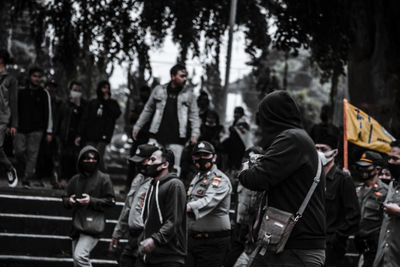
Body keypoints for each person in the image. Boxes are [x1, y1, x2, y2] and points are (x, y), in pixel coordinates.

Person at [238, 90, 326, 267]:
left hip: (296, 247)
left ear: (271, 118)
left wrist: (246, 168)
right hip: (283, 242)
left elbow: (256, 179)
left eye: (262, 118)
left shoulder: (291, 139)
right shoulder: (299, 139)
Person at [132, 64, 200, 175]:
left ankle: (170, 191)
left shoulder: (189, 94)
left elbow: (194, 115)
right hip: (156, 135)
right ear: (173, 76)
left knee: (173, 169)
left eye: (186, 76)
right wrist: (138, 126)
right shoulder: (159, 90)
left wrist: (194, 134)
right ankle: (147, 191)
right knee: (149, 165)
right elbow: (148, 109)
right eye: (182, 76)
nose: (185, 79)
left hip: (177, 138)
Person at [62, 145, 115, 267]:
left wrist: (91, 201)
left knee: (80, 256)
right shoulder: (75, 179)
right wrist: (69, 201)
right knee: (77, 261)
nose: (91, 161)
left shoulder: (104, 178)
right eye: (87, 158)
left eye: (94, 158)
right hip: (77, 224)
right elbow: (64, 198)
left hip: (93, 225)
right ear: (81, 160)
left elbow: (111, 201)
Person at [314, 133, 360, 267]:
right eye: (316, 148)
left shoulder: (343, 180)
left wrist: (336, 238)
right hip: (311, 244)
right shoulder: (311, 178)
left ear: (335, 153)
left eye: (323, 149)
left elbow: (354, 216)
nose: (319, 153)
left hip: (332, 249)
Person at [136, 148, 187, 267]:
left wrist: (155, 240)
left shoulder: (175, 185)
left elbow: (173, 220)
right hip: (151, 255)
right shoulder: (152, 185)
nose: (148, 163)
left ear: (165, 164)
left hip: (170, 256)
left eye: (152, 160)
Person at [110, 144, 158, 267]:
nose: (138, 164)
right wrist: (117, 233)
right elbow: (127, 207)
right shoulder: (138, 178)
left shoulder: (160, 182)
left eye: (141, 161)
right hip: (132, 236)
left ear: (151, 160)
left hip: (147, 236)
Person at [185, 141, 232, 267]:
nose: (201, 159)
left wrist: (186, 207)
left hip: (213, 242)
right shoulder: (197, 177)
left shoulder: (220, 179)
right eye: (197, 155)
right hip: (193, 239)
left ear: (214, 157)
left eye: (205, 155)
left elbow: (208, 201)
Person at [15, 66, 52, 187]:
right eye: (35, 76)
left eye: (39, 77)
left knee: (33, 154)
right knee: (19, 152)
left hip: (37, 130)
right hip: (20, 128)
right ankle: (28, 170)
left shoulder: (44, 93)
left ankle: (26, 177)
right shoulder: (21, 92)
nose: (37, 79)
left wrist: (49, 131)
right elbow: (14, 110)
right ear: (30, 77)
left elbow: (48, 113)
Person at [78, 80, 121, 171]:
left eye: (108, 88)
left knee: (98, 157)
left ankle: (103, 179)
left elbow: (116, 114)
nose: (106, 90)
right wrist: (80, 134)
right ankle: (92, 179)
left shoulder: (112, 103)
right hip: (90, 136)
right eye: (104, 88)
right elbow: (85, 119)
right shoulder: (93, 103)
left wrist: (107, 102)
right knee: (89, 157)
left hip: (103, 136)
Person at [354, 151, 388, 267]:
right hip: (358, 243)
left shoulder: (385, 192)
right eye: (360, 166)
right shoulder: (358, 190)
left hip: (375, 245)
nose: (362, 170)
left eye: (366, 167)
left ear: (377, 169)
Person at [373, 140, 400, 267]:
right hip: (386, 258)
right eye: (389, 158)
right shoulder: (392, 186)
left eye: (395, 159)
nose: (391, 162)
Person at [57, 81, 86, 187]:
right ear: (70, 91)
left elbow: (84, 120)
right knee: (64, 158)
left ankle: (73, 181)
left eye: (79, 91)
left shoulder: (84, 105)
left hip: (78, 137)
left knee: (76, 159)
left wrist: (78, 106)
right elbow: (59, 119)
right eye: (74, 90)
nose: (76, 93)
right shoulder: (64, 104)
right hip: (65, 136)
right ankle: (63, 180)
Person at [35, 80, 60, 186]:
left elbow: (59, 118)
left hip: (54, 134)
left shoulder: (58, 102)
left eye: (52, 87)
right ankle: (40, 179)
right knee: (40, 157)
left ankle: (53, 180)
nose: (50, 89)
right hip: (42, 131)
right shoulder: (40, 100)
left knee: (52, 158)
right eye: (49, 87)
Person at [0, 49, 18, 187]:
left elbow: (13, 102)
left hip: (2, 117)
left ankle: (9, 168)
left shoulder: (10, 79)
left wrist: (14, 124)